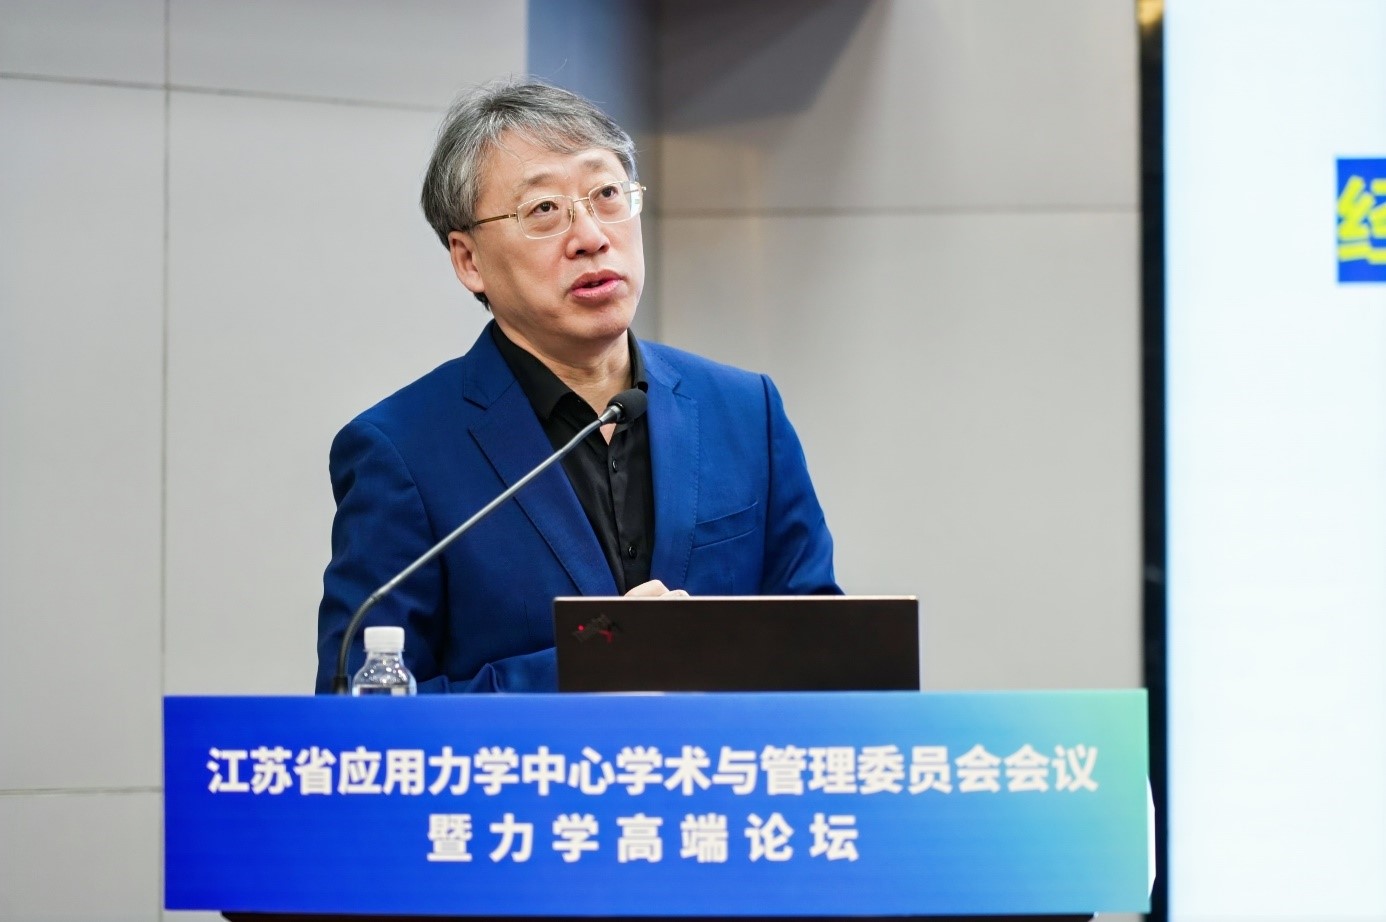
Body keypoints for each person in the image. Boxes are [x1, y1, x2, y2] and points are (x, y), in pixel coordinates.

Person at [315, 80, 839, 693]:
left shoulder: (746, 412)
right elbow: (360, 706)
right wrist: (594, 661)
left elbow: (825, 654)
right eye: (543, 210)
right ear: (469, 260)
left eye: (608, 194)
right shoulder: (401, 450)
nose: (591, 236)